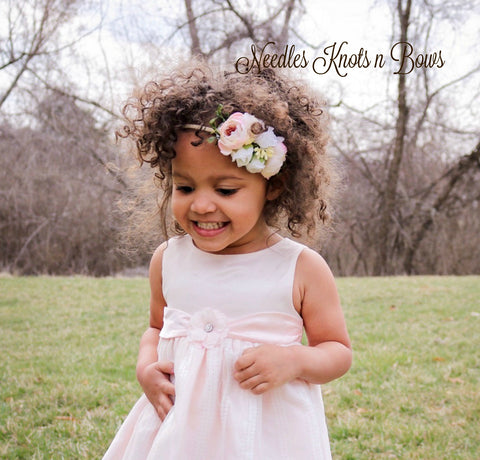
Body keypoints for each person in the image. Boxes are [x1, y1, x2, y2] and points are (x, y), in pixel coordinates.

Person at [103, 61, 352, 460]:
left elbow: (337, 351)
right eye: (184, 186)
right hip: (180, 434)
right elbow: (155, 328)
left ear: (274, 186)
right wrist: (146, 366)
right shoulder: (168, 260)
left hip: (266, 437)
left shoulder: (300, 268)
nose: (202, 204)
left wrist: (294, 360)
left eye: (225, 189)